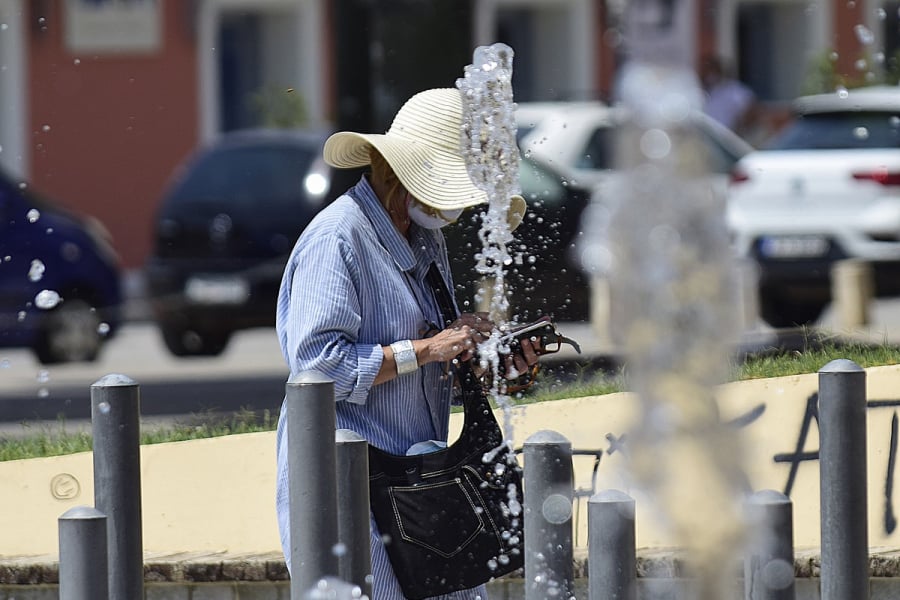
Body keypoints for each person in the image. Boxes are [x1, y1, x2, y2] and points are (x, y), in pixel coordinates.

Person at [274, 87, 538, 599]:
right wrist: (426, 350)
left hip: (419, 475)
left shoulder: (422, 238)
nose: (455, 211)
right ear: (400, 175)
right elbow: (316, 369)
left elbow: (431, 355)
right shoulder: (338, 240)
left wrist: (487, 359)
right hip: (346, 484)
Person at [700, 55, 759, 135]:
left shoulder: (734, 90)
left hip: (730, 138)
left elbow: (751, 108)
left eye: (713, 70)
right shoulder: (704, 92)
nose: (710, 75)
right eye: (707, 71)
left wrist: (740, 129)